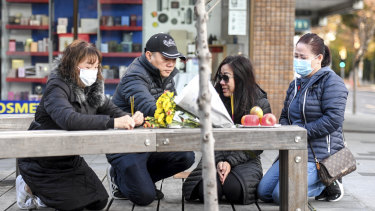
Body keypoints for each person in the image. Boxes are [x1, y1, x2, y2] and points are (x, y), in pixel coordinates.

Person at [16, 40, 144, 210]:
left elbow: (111, 109)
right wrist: (112, 123)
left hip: (68, 157)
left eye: (96, 66)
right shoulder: (57, 85)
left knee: (99, 201)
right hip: (41, 157)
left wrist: (131, 118)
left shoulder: (92, 88)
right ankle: (28, 185)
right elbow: (68, 119)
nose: (94, 71)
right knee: (73, 205)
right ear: (72, 64)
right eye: (88, 66)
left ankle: (46, 195)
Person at [257, 33, 348, 204]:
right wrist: (289, 131)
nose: (298, 60)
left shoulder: (332, 82)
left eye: (302, 57)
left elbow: (333, 119)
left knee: (280, 195)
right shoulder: (295, 84)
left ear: (318, 58)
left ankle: (329, 181)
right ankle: (320, 182)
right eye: (296, 56)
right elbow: (285, 115)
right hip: (294, 150)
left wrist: (299, 133)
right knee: (264, 192)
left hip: (320, 156)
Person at [107, 33, 195, 206]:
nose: (171, 63)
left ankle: (139, 179)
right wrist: (189, 116)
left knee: (186, 156)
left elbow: (176, 104)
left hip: (150, 141)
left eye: (174, 59)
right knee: (145, 197)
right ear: (149, 55)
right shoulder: (134, 76)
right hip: (126, 145)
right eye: (165, 58)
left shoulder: (170, 74)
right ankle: (118, 177)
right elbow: (152, 109)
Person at [182, 55, 271, 205]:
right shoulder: (214, 97)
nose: (221, 82)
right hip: (215, 155)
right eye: (220, 77)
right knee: (208, 191)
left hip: (246, 158)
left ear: (241, 78)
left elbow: (258, 145)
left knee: (234, 190)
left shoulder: (259, 102)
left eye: (226, 78)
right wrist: (220, 161)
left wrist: (230, 161)